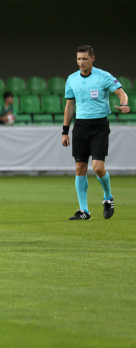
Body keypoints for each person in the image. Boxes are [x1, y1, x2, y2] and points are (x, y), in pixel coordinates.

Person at [62, 45, 129, 220]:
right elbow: (69, 106)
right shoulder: (71, 79)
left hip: (99, 125)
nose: (81, 62)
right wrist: (65, 131)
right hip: (81, 126)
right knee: (79, 167)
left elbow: (121, 93)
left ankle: (108, 197)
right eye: (78, 59)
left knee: (98, 168)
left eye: (84, 59)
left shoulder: (103, 76)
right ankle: (84, 211)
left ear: (93, 59)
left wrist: (123, 104)